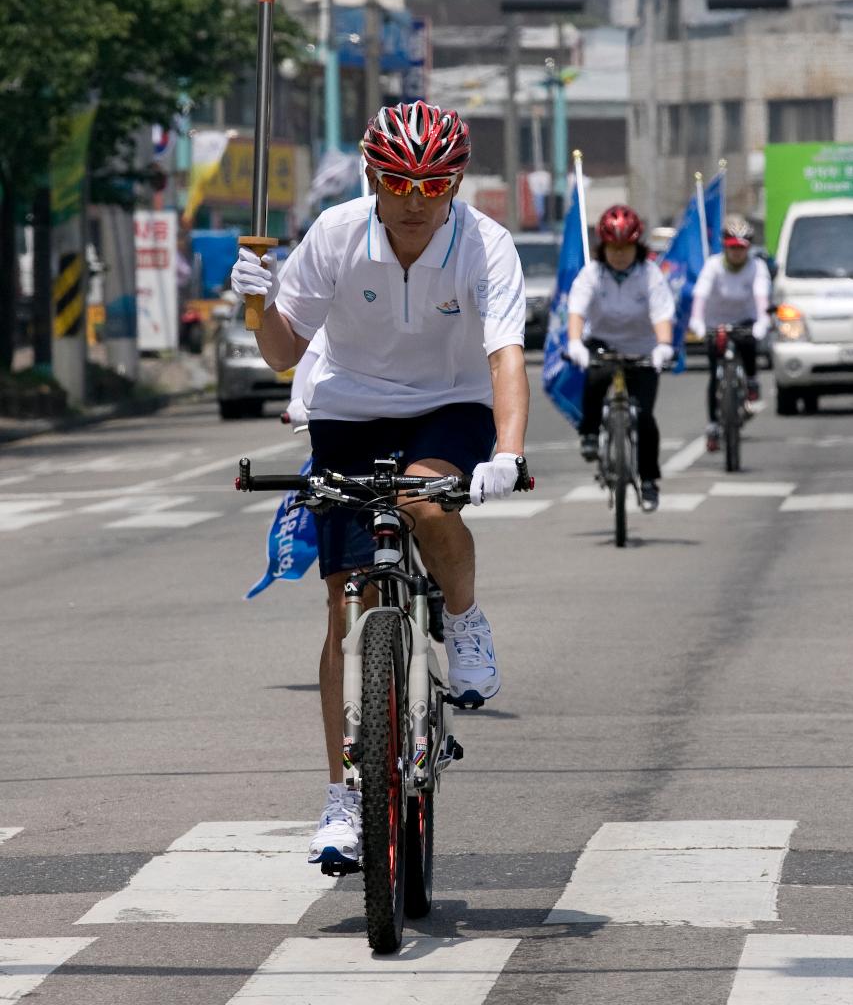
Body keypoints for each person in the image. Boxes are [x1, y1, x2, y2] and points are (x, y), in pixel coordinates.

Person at [230, 100, 529, 868]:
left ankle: (461, 622)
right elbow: (279, 353)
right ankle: (342, 801)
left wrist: (507, 450)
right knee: (342, 604)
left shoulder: (485, 244)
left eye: (433, 184)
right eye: (398, 182)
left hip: (449, 404)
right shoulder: (334, 235)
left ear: (455, 182)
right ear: (373, 176)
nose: (414, 201)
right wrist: (255, 300)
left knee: (425, 501)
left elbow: (503, 355)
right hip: (349, 410)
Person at [565, 204, 675, 512]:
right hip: (602, 342)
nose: (619, 254)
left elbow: (661, 312)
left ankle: (650, 481)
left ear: (636, 246)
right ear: (604, 246)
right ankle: (588, 433)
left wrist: (663, 346)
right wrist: (575, 342)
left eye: (625, 247)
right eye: (613, 248)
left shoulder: (649, 274)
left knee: (645, 418)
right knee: (596, 376)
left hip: (642, 348)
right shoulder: (592, 274)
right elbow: (576, 308)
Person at [688, 213, 771, 452]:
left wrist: (763, 320)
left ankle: (752, 380)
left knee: (748, 343)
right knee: (715, 375)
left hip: (745, 320)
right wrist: (697, 320)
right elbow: (701, 293)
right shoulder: (713, 266)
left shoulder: (757, 267)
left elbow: (761, 295)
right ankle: (713, 424)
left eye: (741, 248)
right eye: (732, 247)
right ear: (725, 246)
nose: (737, 253)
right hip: (717, 323)